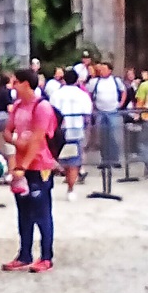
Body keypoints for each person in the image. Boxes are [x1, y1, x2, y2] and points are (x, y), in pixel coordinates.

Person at [3, 67, 56, 271]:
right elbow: (8, 131)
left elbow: (37, 139)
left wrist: (23, 166)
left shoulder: (42, 107)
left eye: (16, 82)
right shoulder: (17, 106)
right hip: (21, 163)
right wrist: (18, 143)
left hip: (38, 165)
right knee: (23, 211)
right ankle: (24, 253)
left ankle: (46, 256)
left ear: (26, 84)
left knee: (41, 211)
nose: (13, 86)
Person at [52, 67, 93, 199]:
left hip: (60, 129)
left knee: (58, 156)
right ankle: (71, 188)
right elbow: (87, 114)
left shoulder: (56, 94)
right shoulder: (82, 95)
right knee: (74, 160)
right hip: (76, 128)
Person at [88, 59, 125, 171]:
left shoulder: (116, 81)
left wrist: (120, 104)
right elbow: (89, 93)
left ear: (110, 70)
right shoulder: (95, 82)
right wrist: (93, 105)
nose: (102, 71)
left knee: (114, 135)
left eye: (104, 69)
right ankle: (105, 159)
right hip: (101, 111)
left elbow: (123, 91)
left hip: (113, 111)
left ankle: (115, 159)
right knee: (103, 137)